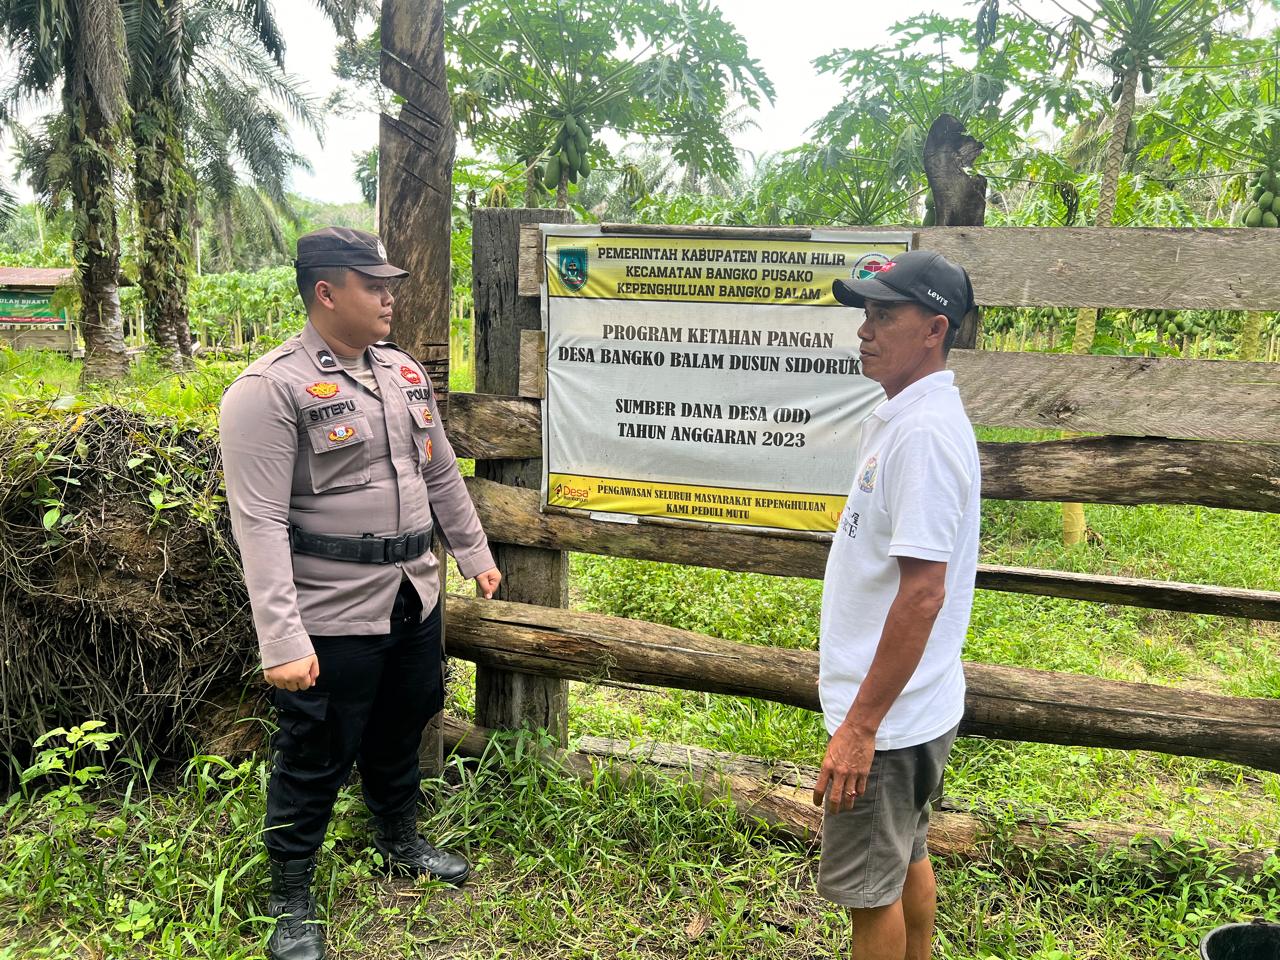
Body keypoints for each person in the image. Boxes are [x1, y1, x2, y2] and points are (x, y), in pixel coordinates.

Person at [219, 227, 501, 960]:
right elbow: (258, 522)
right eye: (372, 286)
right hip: (331, 607)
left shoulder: (403, 372)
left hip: (412, 592)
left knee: (404, 721)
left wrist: (474, 554)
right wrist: (282, 640)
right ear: (325, 292)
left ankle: (399, 839)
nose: (388, 298)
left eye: (388, 286)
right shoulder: (268, 390)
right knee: (315, 750)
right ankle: (291, 895)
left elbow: (440, 472)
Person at [814, 250, 982, 960]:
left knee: (868, 894)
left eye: (885, 315)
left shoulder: (923, 435)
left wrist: (861, 727)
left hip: (887, 720)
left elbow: (922, 594)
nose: (865, 330)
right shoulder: (909, 418)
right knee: (907, 854)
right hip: (910, 708)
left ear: (934, 329)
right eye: (866, 314)